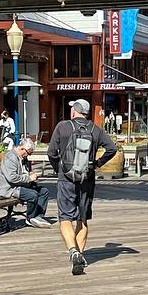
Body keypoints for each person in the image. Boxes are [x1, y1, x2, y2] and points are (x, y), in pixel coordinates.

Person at [47, 99, 117, 274]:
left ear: (74, 111)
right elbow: (112, 149)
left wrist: (59, 169)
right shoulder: (96, 129)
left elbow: (51, 152)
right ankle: (80, 254)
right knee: (82, 218)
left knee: (65, 218)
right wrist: (97, 163)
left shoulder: (62, 126)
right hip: (87, 178)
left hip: (66, 177)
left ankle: (73, 252)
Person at [0, 133, 52, 227]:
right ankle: (30, 218)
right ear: (22, 148)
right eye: (28, 153)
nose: (28, 155)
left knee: (44, 191)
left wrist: (31, 175)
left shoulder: (23, 158)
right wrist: (29, 178)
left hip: (21, 185)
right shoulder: (10, 157)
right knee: (33, 195)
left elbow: (23, 173)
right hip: (10, 189)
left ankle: (38, 216)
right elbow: (12, 178)